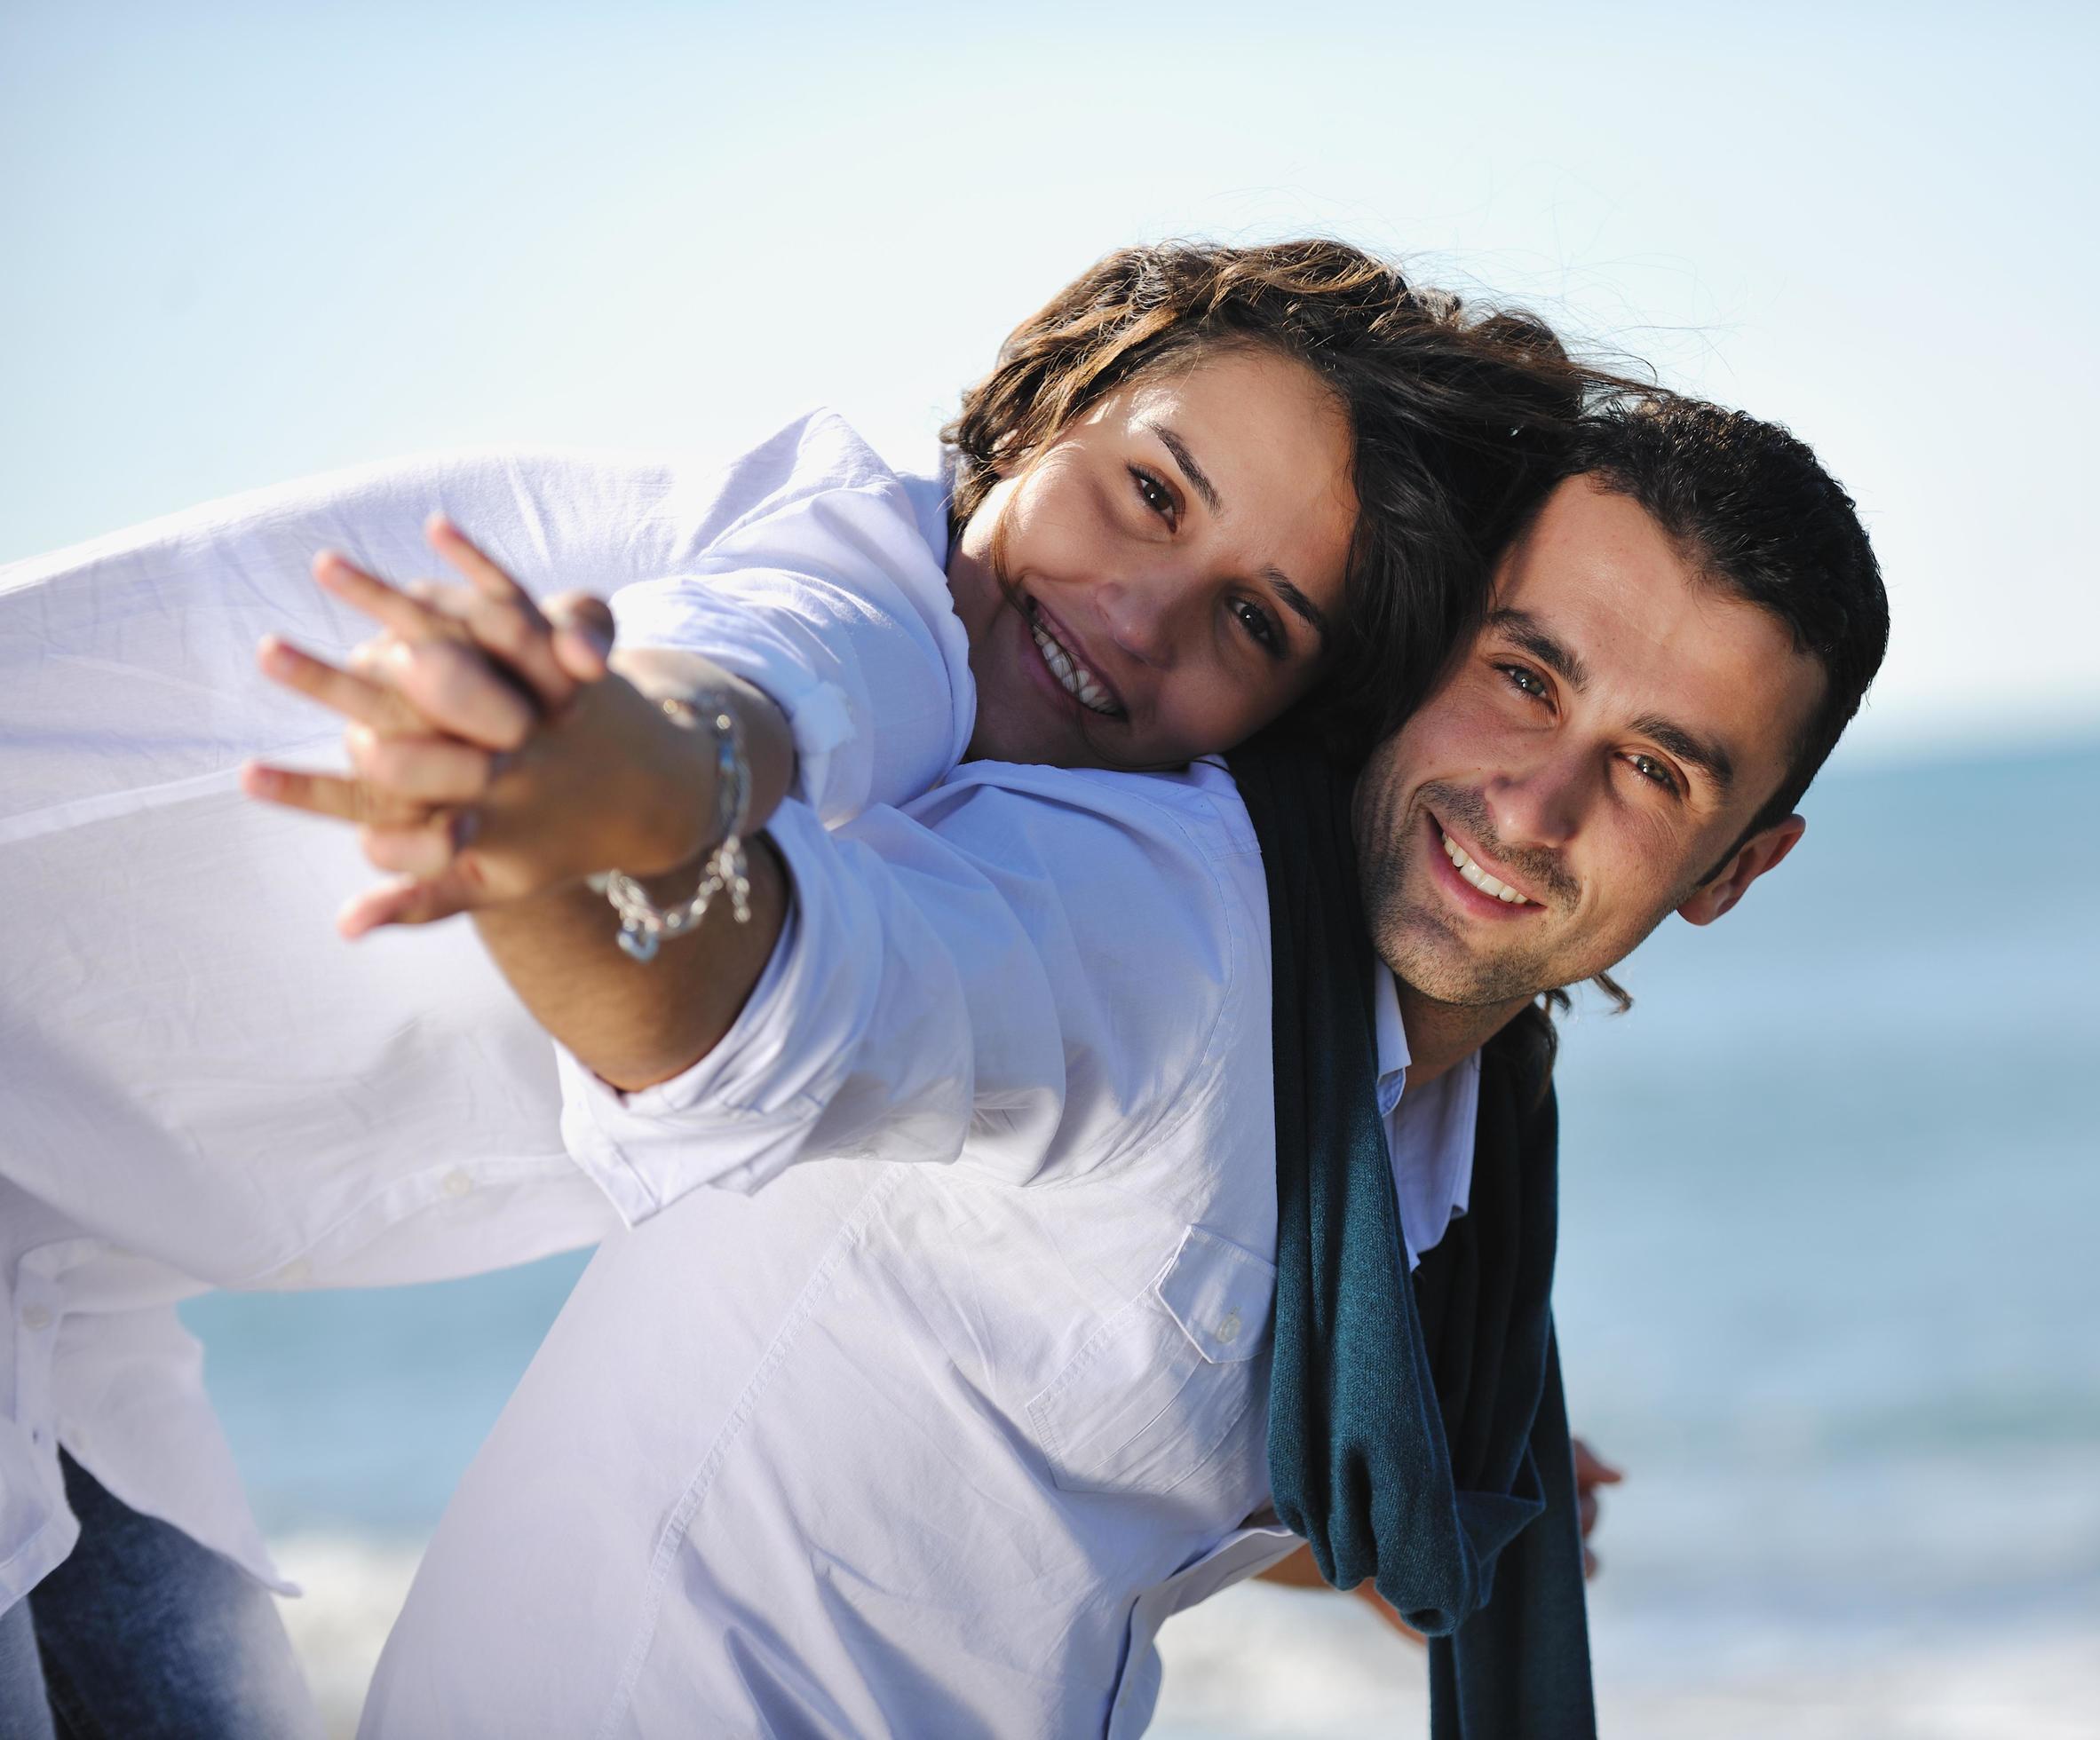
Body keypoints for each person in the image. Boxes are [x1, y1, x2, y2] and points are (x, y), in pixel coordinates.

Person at [0, 239, 1589, 1736]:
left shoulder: (1048, 854)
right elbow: (745, 677)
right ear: (1046, 408)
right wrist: (625, 771)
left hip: (68, 1279)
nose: (1137, 611)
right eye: (1149, 492)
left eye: (1253, 620)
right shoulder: (873, 579)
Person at [273, 392, 1889, 1736]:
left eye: (1655, 771)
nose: (1536, 806)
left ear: (1735, 869)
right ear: (1415, 658)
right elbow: (739, 989)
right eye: (1522, 679)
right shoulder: (1166, 921)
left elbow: (1118, 1392)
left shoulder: (1450, 1114)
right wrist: (553, 830)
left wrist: (1408, 1498)